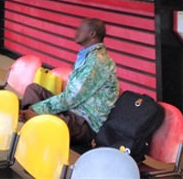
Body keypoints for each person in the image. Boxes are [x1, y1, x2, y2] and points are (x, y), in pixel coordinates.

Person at [20, 18, 119, 149]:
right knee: (33, 90)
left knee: (48, 118)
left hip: (85, 123)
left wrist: (37, 109)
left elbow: (70, 98)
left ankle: (33, 120)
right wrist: (37, 110)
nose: (76, 32)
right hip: (73, 110)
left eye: (80, 29)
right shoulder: (88, 55)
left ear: (92, 34)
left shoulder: (97, 62)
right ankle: (33, 120)